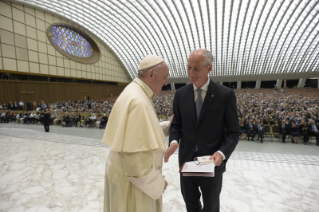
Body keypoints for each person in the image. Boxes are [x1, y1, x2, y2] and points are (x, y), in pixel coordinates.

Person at [164, 49, 240, 212]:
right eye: (189, 67)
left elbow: (233, 132)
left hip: (211, 162)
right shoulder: (180, 94)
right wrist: (174, 141)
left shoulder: (225, 95)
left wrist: (221, 153)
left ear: (209, 68)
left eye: (196, 68)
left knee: (211, 206)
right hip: (187, 161)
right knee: (191, 205)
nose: (191, 73)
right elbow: (176, 124)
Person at [102, 55, 171, 212]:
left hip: (123, 176)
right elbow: (137, 165)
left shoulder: (135, 92)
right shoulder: (138, 101)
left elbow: (142, 132)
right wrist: (159, 183)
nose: (166, 82)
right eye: (164, 77)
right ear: (151, 74)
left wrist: (168, 125)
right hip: (133, 185)